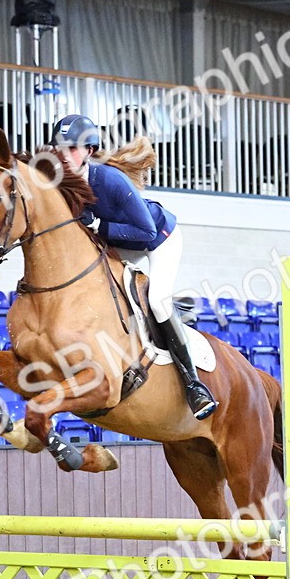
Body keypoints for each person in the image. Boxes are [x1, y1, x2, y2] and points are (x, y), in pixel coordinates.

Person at [49, 114, 217, 420]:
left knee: (157, 301)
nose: (63, 155)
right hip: (120, 244)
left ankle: (194, 384)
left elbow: (146, 232)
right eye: (59, 148)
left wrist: (98, 224)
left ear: (88, 150)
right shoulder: (61, 184)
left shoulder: (109, 180)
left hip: (158, 239)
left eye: (71, 148)